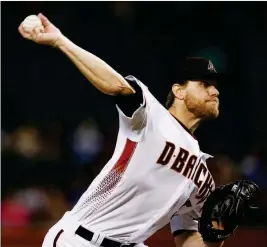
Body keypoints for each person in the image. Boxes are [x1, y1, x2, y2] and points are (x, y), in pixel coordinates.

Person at [18, 13, 224, 247]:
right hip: (81, 239)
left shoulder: (202, 175)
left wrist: (220, 231)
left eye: (216, 87)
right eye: (204, 85)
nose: (214, 92)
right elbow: (116, 85)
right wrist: (60, 41)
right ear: (179, 91)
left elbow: (188, 239)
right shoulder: (151, 116)